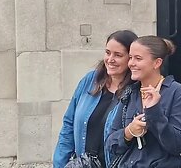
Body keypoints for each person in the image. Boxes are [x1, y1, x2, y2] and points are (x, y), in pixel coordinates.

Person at [53, 30, 138, 168]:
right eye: (108, 52)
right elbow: (69, 124)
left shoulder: (136, 91)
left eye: (118, 55)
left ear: (131, 58)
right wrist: (60, 163)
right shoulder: (90, 80)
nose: (110, 59)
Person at [106, 36, 181, 168]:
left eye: (138, 58)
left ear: (157, 63)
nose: (131, 63)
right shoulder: (130, 93)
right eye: (130, 57)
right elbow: (111, 145)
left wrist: (154, 112)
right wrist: (129, 132)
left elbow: (177, 145)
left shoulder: (175, 92)